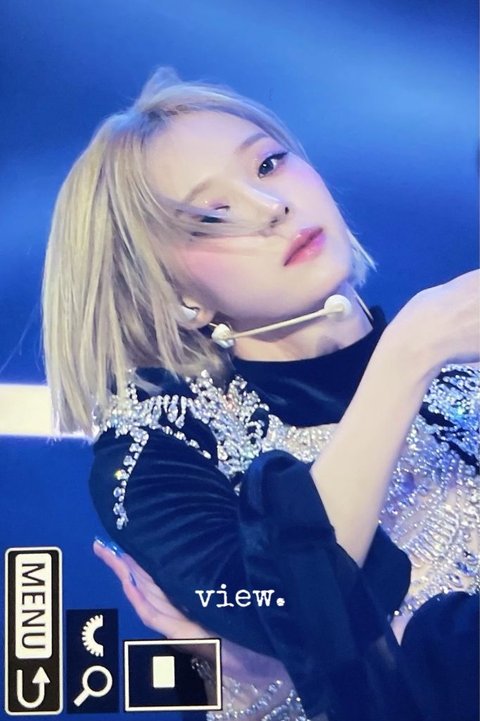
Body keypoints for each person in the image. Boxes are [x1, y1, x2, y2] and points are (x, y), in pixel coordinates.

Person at [42, 67, 479, 721]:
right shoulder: (162, 449)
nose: (269, 206)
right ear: (177, 295)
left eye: (269, 163)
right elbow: (287, 610)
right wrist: (407, 356)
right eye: (210, 216)